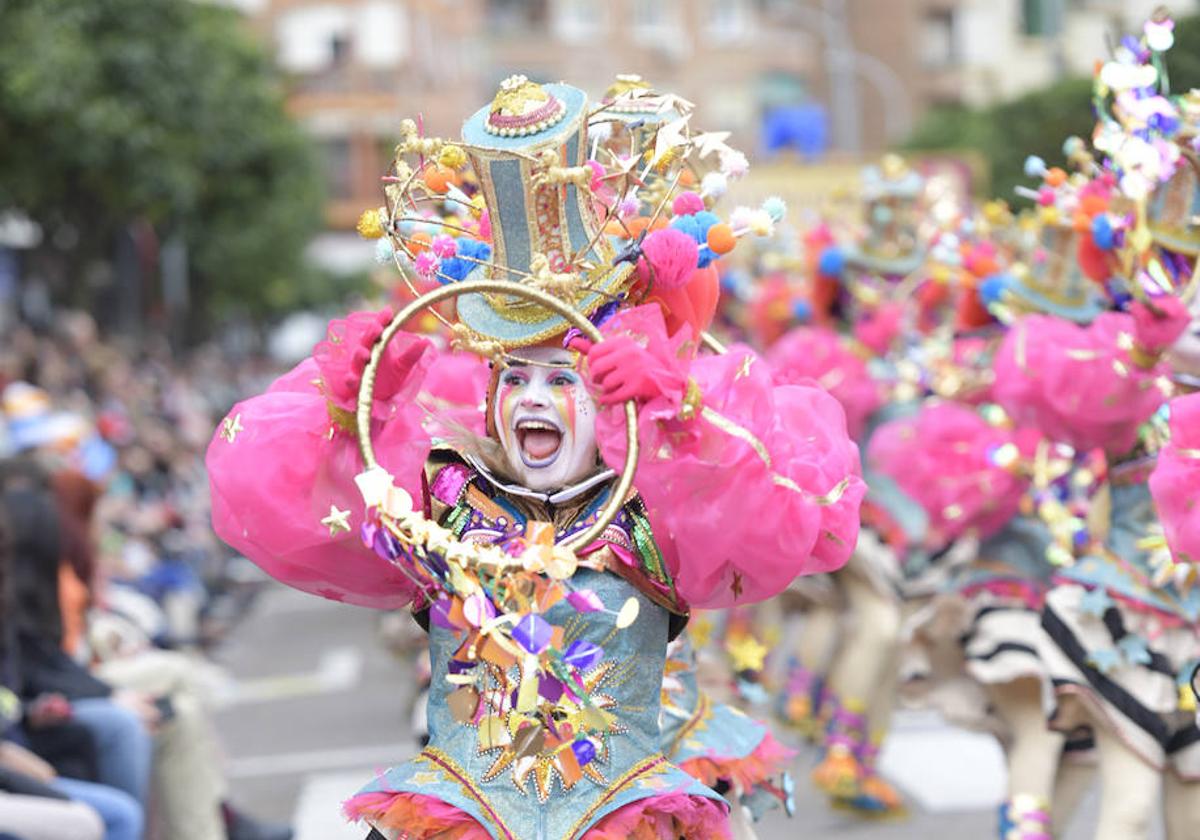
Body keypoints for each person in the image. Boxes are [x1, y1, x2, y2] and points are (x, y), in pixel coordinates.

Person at [208, 76, 865, 839]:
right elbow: (273, 493)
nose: (533, 399)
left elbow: (796, 508)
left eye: (565, 378)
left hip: (627, 813)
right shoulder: (443, 496)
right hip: (466, 813)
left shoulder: (653, 509)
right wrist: (348, 411)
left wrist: (681, 410)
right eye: (513, 377)